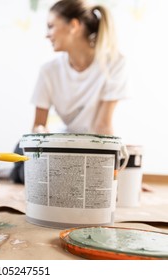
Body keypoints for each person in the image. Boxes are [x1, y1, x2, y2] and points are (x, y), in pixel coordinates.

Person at [10, 0, 127, 183]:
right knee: (21, 153)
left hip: (89, 150)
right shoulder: (49, 70)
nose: (47, 35)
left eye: (51, 26)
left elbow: (103, 126)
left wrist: (116, 177)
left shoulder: (113, 63)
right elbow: (38, 125)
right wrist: (43, 137)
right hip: (59, 146)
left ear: (73, 25)